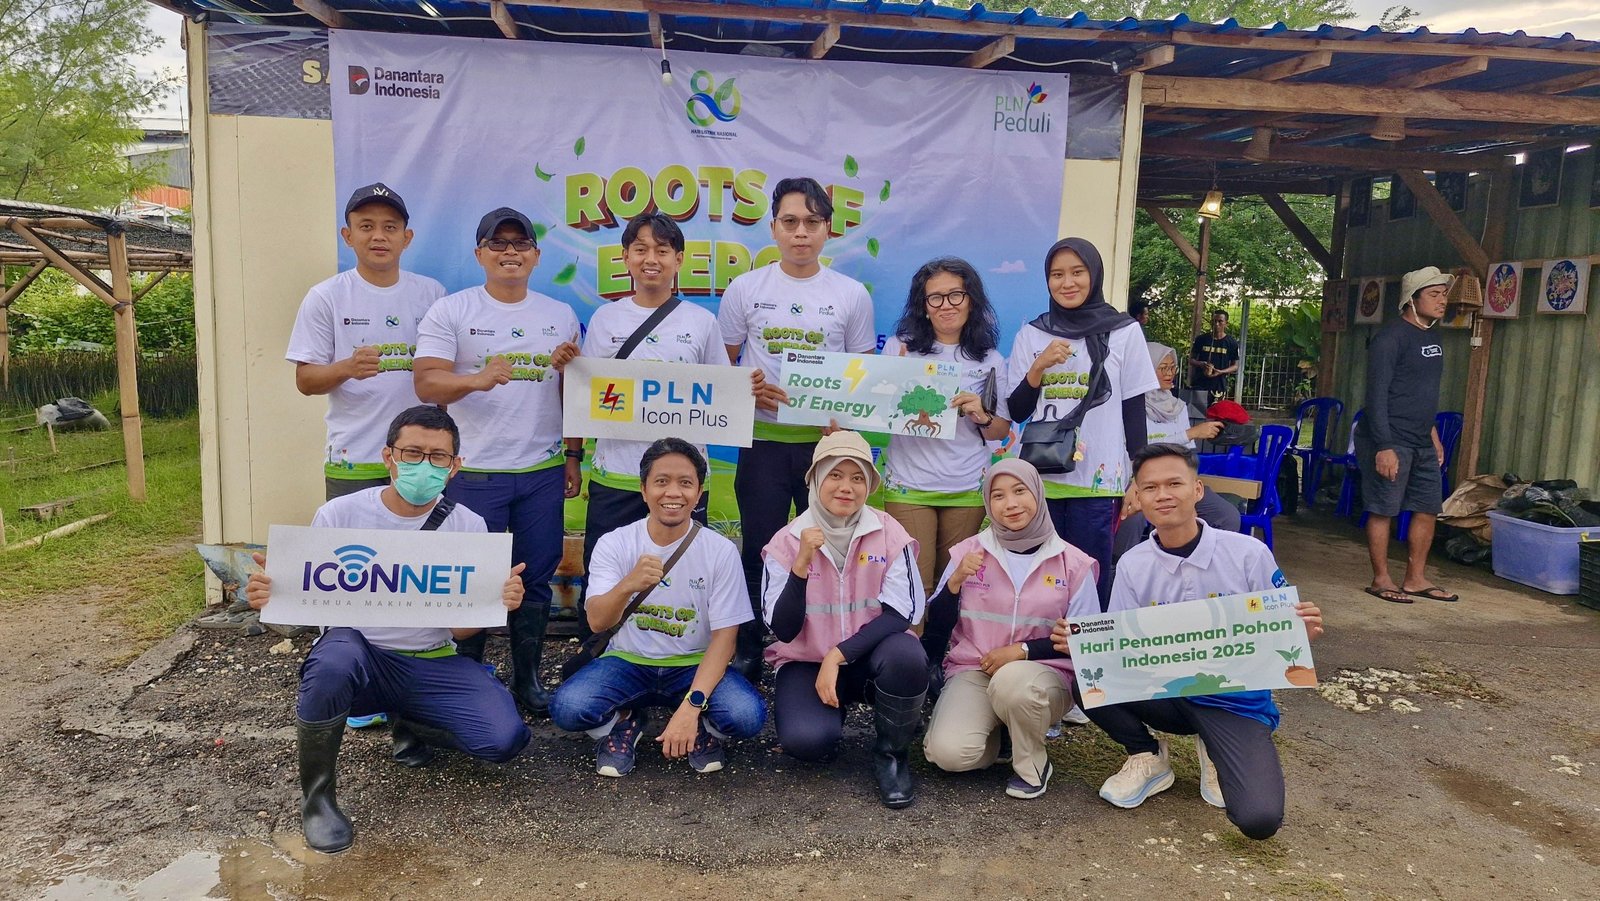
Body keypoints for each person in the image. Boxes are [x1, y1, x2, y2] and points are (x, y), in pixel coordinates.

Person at [243, 405, 531, 854]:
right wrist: (271, 591)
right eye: (412, 452)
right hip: (359, 660)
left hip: (430, 662)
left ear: (455, 466)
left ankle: (411, 719)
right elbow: (308, 599)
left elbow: (460, 633)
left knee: (505, 739)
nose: (424, 465)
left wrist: (500, 603)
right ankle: (317, 800)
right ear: (388, 456)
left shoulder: (469, 526)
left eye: (438, 457)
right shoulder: (339, 515)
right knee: (335, 658)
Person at [1054, 443, 1325, 841]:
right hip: (1165, 692)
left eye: (1174, 484)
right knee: (1088, 676)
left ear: (1197, 490)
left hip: (1233, 700)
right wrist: (1084, 643)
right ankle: (1147, 755)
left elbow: (1280, 632)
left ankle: (1215, 748)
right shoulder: (1132, 564)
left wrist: (1302, 631)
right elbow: (1120, 642)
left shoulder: (1249, 554)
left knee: (1259, 819)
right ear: (1137, 497)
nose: (1162, 495)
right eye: (1150, 487)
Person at [413, 207, 583, 716]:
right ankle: (469, 680)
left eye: (520, 243)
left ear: (536, 255)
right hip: (475, 472)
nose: (510, 251)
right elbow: (426, 383)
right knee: (473, 576)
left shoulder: (560, 314)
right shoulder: (452, 310)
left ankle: (526, 679)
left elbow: (574, 392)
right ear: (479, 253)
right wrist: (476, 380)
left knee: (534, 578)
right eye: (498, 243)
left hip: (541, 472)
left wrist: (573, 454)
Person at [574, 213, 767, 630]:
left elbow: (720, 394)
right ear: (625, 257)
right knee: (604, 571)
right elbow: (586, 394)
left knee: (683, 572)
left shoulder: (701, 322)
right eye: (641, 249)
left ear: (678, 259)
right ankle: (599, 649)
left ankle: (684, 649)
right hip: (616, 475)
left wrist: (744, 388)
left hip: (681, 481)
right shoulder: (605, 319)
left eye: (662, 251)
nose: (651, 259)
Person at [718, 177, 877, 681]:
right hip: (763, 443)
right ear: (773, 228)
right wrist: (746, 389)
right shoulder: (746, 288)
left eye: (811, 222)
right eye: (790, 221)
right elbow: (722, 369)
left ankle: (823, 645)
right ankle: (749, 645)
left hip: (824, 450)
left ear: (828, 229)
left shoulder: (850, 295)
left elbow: (864, 375)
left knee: (830, 549)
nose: (800, 232)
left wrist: (841, 416)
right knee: (759, 548)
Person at [550, 439, 767, 777]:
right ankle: (625, 721)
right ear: (643, 489)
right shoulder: (615, 543)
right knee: (567, 707)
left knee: (747, 716)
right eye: (661, 481)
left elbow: (725, 640)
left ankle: (699, 728)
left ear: (699, 492)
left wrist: (692, 706)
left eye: (686, 483)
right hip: (626, 661)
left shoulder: (720, 551)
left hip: (693, 663)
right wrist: (627, 585)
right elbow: (597, 622)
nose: (673, 493)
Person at [761, 431, 928, 809]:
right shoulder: (786, 541)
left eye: (858, 478)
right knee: (807, 741)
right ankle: (830, 716)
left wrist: (838, 655)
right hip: (808, 662)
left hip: (869, 657)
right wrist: (800, 565)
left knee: (906, 656)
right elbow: (782, 629)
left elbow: (903, 612)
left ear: (870, 485)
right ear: (815, 479)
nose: (846, 487)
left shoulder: (888, 532)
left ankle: (892, 754)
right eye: (835, 475)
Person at [921, 459, 1098, 799]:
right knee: (949, 754)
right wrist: (954, 582)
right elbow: (938, 629)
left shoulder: (1072, 562)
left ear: (1038, 494)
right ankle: (1003, 735)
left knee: (1014, 683)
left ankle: (1032, 766)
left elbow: (1086, 637)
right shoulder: (969, 553)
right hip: (975, 669)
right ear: (988, 503)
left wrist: (1024, 651)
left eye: (1020, 491)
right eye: (998, 495)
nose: (1011, 504)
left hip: (1045, 674)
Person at [1005, 237, 1158, 604]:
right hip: (1041, 481)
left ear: (1095, 275)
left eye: (1077, 272)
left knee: (1090, 579)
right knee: (1040, 581)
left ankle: (1085, 642)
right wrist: (1038, 366)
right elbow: (1018, 411)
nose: (1067, 282)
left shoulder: (1124, 332)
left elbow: (1133, 411)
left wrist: (1140, 477)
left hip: (1097, 483)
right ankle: (1040, 642)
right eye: (1057, 274)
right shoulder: (1032, 334)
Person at [286, 183, 445, 500]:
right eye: (367, 227)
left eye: (390, 227)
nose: (379, 237)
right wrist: (347, 368)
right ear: (347, 236)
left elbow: (443, 377)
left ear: (407, 238)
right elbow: (305, 380)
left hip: (421, 461)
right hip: (354, 459)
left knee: (422, 536)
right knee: (351, 535)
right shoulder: (326, 296)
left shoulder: (433, 294)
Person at [881, 257, 1012, 600]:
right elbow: (875, 413)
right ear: (923, 306)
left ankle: (945, 639)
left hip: (966, 487)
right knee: (913, 588)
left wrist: (981, 414)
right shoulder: (899, 349)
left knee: (953, 587)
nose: (946, 305)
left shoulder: (990, 359)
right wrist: (888, 384)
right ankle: (912, 639)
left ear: (971, 300)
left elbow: (1000, 431)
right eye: (935, 298)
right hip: (908, 484)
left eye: (956, 295)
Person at [1357, 266, 1456, 604]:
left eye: (1444, 294)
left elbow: (1422, 393)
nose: (1442, 300)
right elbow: (1376, 396)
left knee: (1427, 507)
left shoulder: (1433, 337)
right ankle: (1381, 579)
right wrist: (1384, 446)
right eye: (1434, 294)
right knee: (1384, 508)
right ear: (1411, 300)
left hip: (1422, 439)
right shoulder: (1390, 339)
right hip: (1390, 438)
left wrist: (1433, 435)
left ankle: (1415, 579)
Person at [1114, 342, 1241, 560]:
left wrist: (1188, 485)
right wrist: (1189, 434)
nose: (1170, 373)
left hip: (1175, 481)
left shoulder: (1178, 407)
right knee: (1132, 517)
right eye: (1162, 367)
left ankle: (1205, 564)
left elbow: (1186, 455)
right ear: (1145, 369)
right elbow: (1142, 446)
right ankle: (1122, 569)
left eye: (1173, 367)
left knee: (1227, 515)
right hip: (1137, 481)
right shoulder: (1130, 406)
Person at [1188, 310, 1239, 408]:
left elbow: (1235, 366)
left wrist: (1221, 371)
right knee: (1197, 412)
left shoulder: (1231, 342)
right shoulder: (1201, 339)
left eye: (1220, 321)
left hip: (1219, 385)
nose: (1216, 324)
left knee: (1216, 412)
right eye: (1214, 321)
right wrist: (1202, 364)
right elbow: (1191, 360)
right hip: (1200, 383)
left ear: (1226, 323)